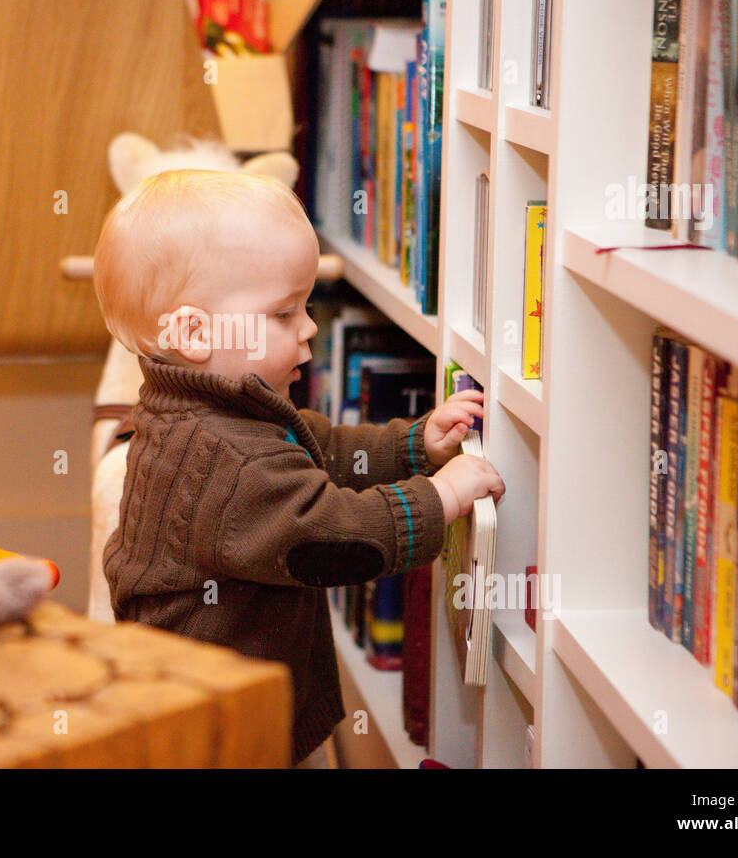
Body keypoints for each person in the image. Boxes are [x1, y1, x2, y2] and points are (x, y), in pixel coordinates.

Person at [92, 169, 505, 766]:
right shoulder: (223, 460)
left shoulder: (214, 409)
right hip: (216, 737)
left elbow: (320, 448)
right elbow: (327, 534)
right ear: (193, 332)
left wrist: (417, 445)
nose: (310, 327)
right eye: (284, 314)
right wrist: (439, 498)